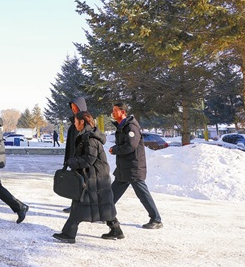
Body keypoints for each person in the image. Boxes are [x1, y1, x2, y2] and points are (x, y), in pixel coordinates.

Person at [53, 111, 117, 244]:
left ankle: (69, 233)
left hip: (94, 177)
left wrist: (72, 162)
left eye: (76, 121)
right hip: (95, 175)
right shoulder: (87, 135)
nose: (75, 124)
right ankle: (116, 229)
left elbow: (89, 159)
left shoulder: (89, 138)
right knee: (103, 203)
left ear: (82, 122)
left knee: (79, 204)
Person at [102, 102, 163, 240]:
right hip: (124, 168)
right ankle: (104, 213)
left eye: (115, 110)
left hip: (134, 167)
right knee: (112, 193)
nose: (113, 113)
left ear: (123, 112)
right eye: (113, 110)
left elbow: (131, 145)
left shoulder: (131, 126)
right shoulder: (122, 126)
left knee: (143, 194)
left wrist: (115, 150)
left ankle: (156, 219)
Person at [62, 96, 88, 213]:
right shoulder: (73, 124)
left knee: (85, 184)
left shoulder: (85, 123)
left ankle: (86, 206)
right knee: (76, 183)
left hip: (83, 159)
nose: (73, 110)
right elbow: (70, 144)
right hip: (74, 159)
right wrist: (67, 159)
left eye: (75, 107)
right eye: (72, 108)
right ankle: (75, 205)